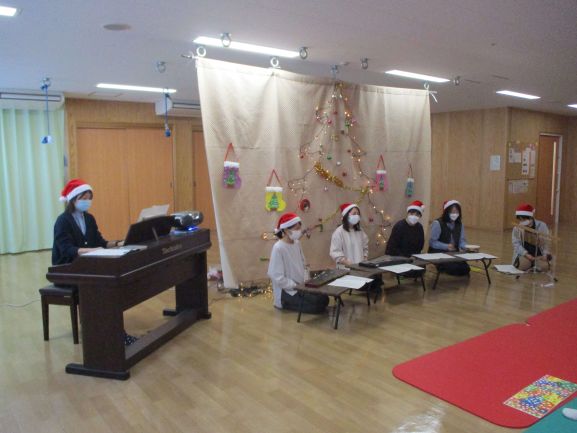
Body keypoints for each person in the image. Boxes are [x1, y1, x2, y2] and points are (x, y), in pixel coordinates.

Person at [52, 179, 137, 345]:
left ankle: (108, 330)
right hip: (66, 270)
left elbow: (100, 242)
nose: (87, 201)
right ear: (73, 199)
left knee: (109, 284)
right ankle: (107, 333)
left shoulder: (89, 218)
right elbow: (67, 250)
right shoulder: (62, 221)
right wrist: (92, 250)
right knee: (101, 287)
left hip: (86, 267)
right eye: (83, 198)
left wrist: (119, 243)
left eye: (89, 198)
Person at [267, 213, 329, 313]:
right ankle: (285, 303)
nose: (299, 231)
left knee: (324, 299)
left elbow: (303, 263)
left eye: (300, 228)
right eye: (296, 229)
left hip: (301, 287)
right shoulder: (278, 248)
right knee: (316, 306)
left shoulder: (296, 243)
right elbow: (275, 275)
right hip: (287, 291)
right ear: (286, 230)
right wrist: (294, 285)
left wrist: (306, 280)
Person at [428, 199, 470, 276]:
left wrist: (466, 247)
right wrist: (446, 246)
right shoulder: (438, 223)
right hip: (439, 251)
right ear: (447, 212)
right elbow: (432, 242)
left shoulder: (460, 224)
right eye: (452, 212)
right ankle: (439, 265)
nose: (455, 214)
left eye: (457, 212)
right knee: (454, 269)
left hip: (453, 252)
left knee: (466, 269)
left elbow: (462, 241)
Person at [512, 203, 551, 271]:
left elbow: (546, 243)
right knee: (522, 266)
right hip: (525, 254)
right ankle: (531, 264)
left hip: (539, 255)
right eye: (520, 220)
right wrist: (526, 254)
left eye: (523, 219)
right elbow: (516, 244)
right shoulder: (517, 228)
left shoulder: (542, 226)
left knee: (544, 267)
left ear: (530, 218)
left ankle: (534, 264)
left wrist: (545, 255)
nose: (522, 222)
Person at [330, 203, 369, 268]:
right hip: (345, 269)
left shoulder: (360, 231)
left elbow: (365, 247)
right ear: (346, 215)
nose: (356, 216)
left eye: (358, 214)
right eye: (354, 213)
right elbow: (335, 252)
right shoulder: (339, 232)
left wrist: (364, 258)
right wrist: (348, 263)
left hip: (360, 268)